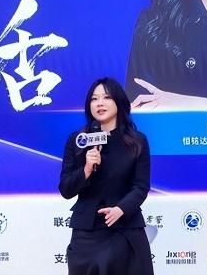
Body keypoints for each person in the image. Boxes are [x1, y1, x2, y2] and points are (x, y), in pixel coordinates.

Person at [59, 78, 153, 275]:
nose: (99, 103)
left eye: (106, 97)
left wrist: (121, 209)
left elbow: (141, 186)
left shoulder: (137, 141)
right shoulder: (78, 141)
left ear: (118, 102)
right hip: (87, 232)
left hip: (124, 228)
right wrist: (86, 169)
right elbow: (66, 189)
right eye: (94, 99)